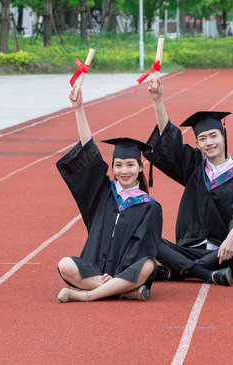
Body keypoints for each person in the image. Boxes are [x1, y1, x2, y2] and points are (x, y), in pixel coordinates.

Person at [144, 78, 233, 286]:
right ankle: (204, 273)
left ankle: (178, 270)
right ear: (197, 142)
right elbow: (171, 143)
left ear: (223, 136)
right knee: (147, 236)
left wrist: (231, 238)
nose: (209, 143)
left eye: (213, 136)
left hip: (223, 251)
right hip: (191, 246)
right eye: (203, 138)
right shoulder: (194, 166)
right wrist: (158, 100)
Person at [56, 87, 161, 302]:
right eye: (119, 165)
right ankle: (123, 291)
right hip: (95, 267)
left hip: (125, 271)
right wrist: (79, 109)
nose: (124, 171)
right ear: (112, 167)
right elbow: (89, 152)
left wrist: (121, 272)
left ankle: (86, 296)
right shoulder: (103, 192)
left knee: (149, 265)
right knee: (64, 264)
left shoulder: (149, 206)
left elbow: (142, 247)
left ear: (141, 168)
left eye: (130, 165)